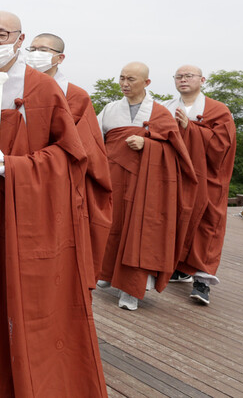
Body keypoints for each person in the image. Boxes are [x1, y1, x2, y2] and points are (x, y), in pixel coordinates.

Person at [0, 13, 107, 397]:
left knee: (22, 296)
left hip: (27, 206)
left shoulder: (42, 88)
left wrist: (13, 167)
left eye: (2, 33)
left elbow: (71, 156)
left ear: (19, 39)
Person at [97, 62, 197, 311]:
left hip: (146, 185)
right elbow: (93, 140)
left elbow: (176, 152)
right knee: (112, 226)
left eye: (131, 79)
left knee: (141, 233)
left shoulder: (160, 113)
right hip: (113, 179)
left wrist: (148, 145)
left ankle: (132, 290)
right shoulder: (109, 109)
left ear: (146, 83)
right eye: (121, 78)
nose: (124, 83)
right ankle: (108, 272)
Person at [24, 33, 112, 280]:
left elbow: (85, 148)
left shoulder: (75, 96)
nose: (35, 54)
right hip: (14, 177)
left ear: (60, 58)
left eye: (43, 50)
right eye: (32, 49)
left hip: (57, 181)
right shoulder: (15, 89)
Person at [163, 65, 236, 305]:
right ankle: (180, 268)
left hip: (207, 178)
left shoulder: (218, 110)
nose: (183, 80)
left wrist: (190, 128)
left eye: (188, 76)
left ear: (202, 80)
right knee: (176, 221)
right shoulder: (165, 107)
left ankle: (202, 280)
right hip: (176, 177)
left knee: (206, 225)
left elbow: (222, 146)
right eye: (179, 76)